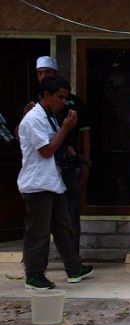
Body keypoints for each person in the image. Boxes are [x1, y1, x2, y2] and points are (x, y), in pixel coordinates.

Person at [17, 75, 94, 290]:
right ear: (46, 95)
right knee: (38, 232)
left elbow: (53, 146)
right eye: (60, 97)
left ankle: (73, 267)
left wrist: (66, 147)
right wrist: (66, 129)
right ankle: (34, 274)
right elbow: (45, 150)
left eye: (66, 98)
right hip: (37, 184)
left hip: (52, 181)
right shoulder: (34, 118)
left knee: (63, 227)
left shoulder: (49, 116)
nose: (64, 102)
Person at [23, 56, 91, 254]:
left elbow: (84, 133)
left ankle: (73, 263)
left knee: (66, 219)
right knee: (40, 225)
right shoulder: (34, 110)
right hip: (42, 176)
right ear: (46, 95)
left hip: (64, 170)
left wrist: (85, 161)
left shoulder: (69, 104)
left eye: (48, 72)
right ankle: (37, 267)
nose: (43, 76)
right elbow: (43, 147)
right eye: (40, 73)